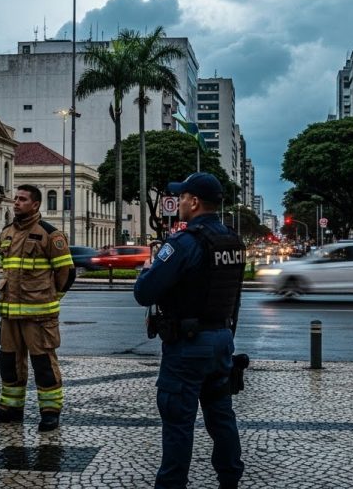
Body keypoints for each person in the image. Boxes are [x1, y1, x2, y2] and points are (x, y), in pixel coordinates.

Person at [134, 172, 246, 489]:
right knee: (221, 416)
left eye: (182, 197)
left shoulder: (185, 242)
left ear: (194, 202)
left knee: (178, 422)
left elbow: (145, 293)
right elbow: (234, 297)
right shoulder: (232, 240)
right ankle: (230, 479)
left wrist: (146, 270)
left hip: (187, 345)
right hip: (222, 339)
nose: (179, 201)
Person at [0, 184, 74, 432]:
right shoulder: (6, 233)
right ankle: (10, 409)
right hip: (10, 314)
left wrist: (51, 298)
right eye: (15, 199)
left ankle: (50, 411)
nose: (16, 203)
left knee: (43, 364)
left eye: (22, 199)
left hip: (39, 316)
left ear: (35, 204)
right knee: (9, 363)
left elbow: (66, 273)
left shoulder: (50, 234)